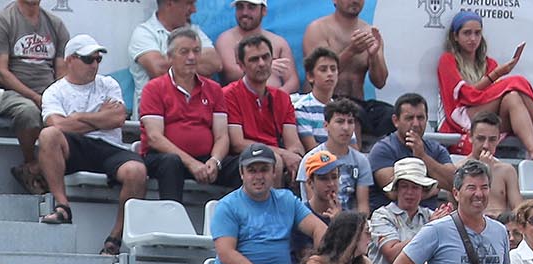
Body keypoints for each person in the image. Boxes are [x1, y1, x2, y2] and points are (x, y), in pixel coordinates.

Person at [38, 36, 144, 259]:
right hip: (76, 148)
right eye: (88, 59)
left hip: (109, 146)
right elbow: (56, 125)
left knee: (137, 171)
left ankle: (118, 234)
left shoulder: (109, 83)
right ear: (70, 60)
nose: (94, 65)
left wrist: (79, 118)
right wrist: (99, 116)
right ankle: (62, 205)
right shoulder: (54, 91)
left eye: (97, 59)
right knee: (49, 136)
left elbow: (117, 118)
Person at [138, 26, 235, 207]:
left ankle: (243, 225)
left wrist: (215, 161)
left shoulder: (214, 89)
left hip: (205, 158)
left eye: (196, 51)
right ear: (170, 57)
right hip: (165, 157)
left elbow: (222, 136)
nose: (191, 57)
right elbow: (154, 138)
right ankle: (172, 223)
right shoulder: (154, 88)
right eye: (184, 52)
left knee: (243, 165)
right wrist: (191, 163)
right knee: (170, 162)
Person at [436, 12, 533, 162]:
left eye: (477, 33)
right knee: (517, 81)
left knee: (512, 97)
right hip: (462, 116)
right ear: (455, 36)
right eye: (467, 33)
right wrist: (496, 74)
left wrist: (495, 73)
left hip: (489, 118)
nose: (473, 38)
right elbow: (466, 96)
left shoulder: (489, 63)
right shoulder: (448, 60)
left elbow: (493, 97)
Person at [0, 0, 68, 191]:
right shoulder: (1, 21)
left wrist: (53, 97)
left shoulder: (55, 24)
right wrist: (36, 98)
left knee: (72, 114)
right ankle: (30, 163)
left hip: (47, 92)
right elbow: (1, 73)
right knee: (28, 111)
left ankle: (38, 167)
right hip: (7, 92)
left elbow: (61, 71)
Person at [301, 0, 390, 139]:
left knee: (392, 115)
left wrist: (373, 56)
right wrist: (351, 51)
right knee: (352, 114)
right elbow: (320, 74)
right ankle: (353, 159)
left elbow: (380, 82)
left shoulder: (370, 33)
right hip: (328, 101)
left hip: (360, 101)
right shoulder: (318, 29)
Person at [368, 158, 439, 264]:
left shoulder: (431, 216)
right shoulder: (382, 215)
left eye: (415, 187)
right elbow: (392, 253)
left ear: (422, 191)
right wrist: (429, 230)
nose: (410, 192)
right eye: (405, 186)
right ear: (396, 189)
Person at [222, 33, 302, 181]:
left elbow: (293, 142)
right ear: (241, 65)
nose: (261, 63)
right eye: (254, 59)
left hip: (276, 156)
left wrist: (295, 155)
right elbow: (238, 143)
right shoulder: (229, 95)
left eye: (265, 57)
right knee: (273, 161)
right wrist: (283, 154)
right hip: (243, 159)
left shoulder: (282, 98)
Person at [366, 92, 457, 197]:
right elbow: (396, 193)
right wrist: (435, 186)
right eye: (409, 118)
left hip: (431, 212)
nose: (416, 124)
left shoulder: (437, 149)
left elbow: (455, 184)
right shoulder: (383, 149)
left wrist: (422, 156)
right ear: (396, 121)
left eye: (420, 118)